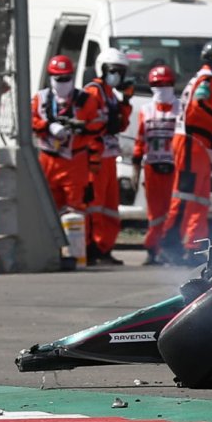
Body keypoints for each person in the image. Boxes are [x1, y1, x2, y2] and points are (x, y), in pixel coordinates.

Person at [161, 38, 212, 264]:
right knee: (185, 198)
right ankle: (170, 245)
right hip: (191, 143)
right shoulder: (207, 78)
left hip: (198, 146)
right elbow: (199, 104)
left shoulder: (206, 77)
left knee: (199, 199)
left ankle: (192, 246)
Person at [82, 48, 133, 265]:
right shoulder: (94, 92)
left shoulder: (111, 95)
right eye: (115, 71)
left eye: (121, 71)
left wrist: (126, 101)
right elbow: (90, 127)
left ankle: (105, 247)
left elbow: (119, 125)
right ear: (102, 69)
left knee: (110, 206)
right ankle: (92, 246)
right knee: (95, 205)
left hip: (110, 157)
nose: (118, 76)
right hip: (97, 158)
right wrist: (93, 157)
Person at [30, 55, 98, 212]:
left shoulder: (85, 100)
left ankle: (74, 237)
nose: (63, 83)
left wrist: (80, 128)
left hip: (75, 160)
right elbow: (29, 120)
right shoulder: (40, 99)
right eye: (59, 79)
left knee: (76, 209)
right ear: (51, 78)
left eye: (66, 78)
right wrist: (48, 126)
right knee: (46, 208)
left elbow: (97, 126)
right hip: (48, 159)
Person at [132, 64, 180, 265]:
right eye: (156, 84)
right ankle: (153, 249)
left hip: (174, 168)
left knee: (173, 211)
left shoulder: (181, 107)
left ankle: (170, 248)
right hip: (152, 168)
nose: (161, 87)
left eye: (165, 83)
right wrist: (136, 168)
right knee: (155, 213)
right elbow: (140, 139)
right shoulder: (146, 110)